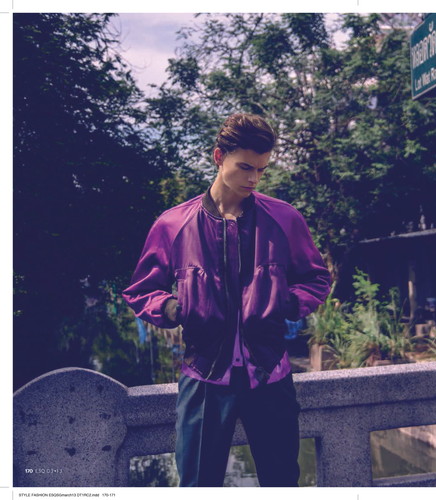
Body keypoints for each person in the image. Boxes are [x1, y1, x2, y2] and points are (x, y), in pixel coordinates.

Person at [123, 113, 331, 487]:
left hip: (270, 374)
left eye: (262, 169)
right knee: (197, 485)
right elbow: (140, 290)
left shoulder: (284, 219)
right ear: (219, 157)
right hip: (204, 377)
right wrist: (175, 308)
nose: (254, 179)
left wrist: (285, 302)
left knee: (282, 482)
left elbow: (316, 279)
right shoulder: (173, 224)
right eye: (245, 167)